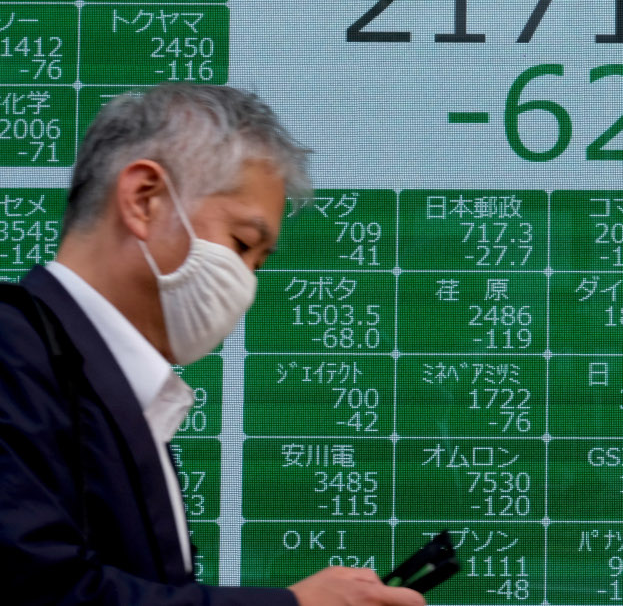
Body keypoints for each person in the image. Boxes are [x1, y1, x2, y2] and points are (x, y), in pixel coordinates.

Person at [0, 83, 426, 606]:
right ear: (144, 200)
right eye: (242, 244)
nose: (245, 284)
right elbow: (40, 590)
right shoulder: (14, 348)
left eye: (258, 264)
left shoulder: (99, 384)